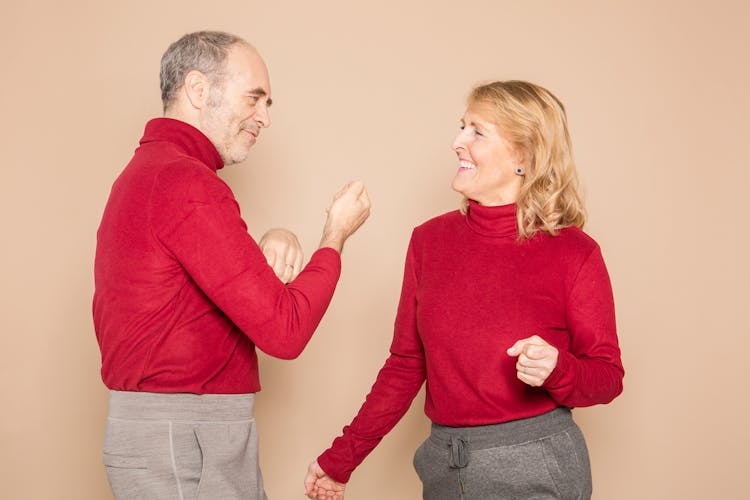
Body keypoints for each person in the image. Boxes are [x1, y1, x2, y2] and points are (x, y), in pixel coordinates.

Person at [305, 80, 624, 500]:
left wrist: (558, 369)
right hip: (445, 465)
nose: (457, 142)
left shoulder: (574, 253)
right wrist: (341, 460)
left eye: (477, 131)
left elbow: (607, 376)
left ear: (524, 157)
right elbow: (405, 365)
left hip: (537, 468)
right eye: (462, 127)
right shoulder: (428, 241)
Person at [93, 31, 370, 500]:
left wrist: (271, 239)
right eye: (255, 98)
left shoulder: (155, 173)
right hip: (184, 436)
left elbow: (197, 288)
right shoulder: (183, 179)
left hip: (180, 433)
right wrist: (335, 236)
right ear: (198, 90)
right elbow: (285, 331)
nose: (264, 117)